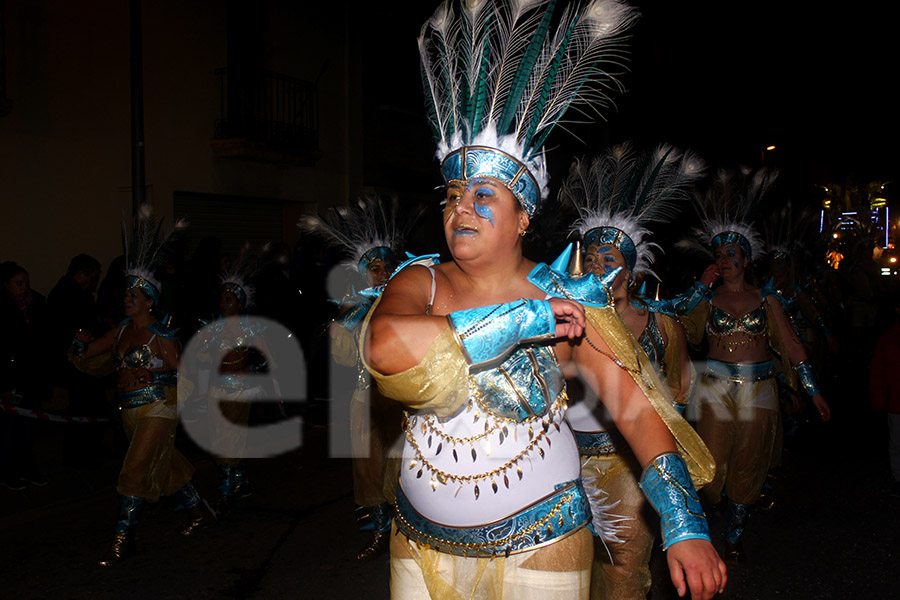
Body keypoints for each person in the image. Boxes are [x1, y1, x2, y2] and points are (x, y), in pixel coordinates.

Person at [363, 2, 725, 598]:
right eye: (453, 193)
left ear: (524, 214)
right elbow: (385, 346)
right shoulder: (419, 282)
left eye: (484, 195)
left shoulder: (567, 297)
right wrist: (521, 320)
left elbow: (634, 409)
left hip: (543, 545)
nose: (461, 208)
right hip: (420, 544)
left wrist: (683, 524)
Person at [557, 143, 706, 599]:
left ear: (632, 272)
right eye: (594, 259)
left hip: (627, 461)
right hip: (565, 460)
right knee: (566, 565)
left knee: (623, 570)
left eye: (612, 262)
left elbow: (680, 389)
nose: (601, 268)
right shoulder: (564, 320)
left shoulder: (661, 325)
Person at [678, 168, 832, 561]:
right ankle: (718, 509)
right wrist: (699, 288)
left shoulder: (768, 301)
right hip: (714, 387)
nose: (724, 260)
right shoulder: (707, 301)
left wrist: (812, 391)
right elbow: (680, 331)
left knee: (749, 462)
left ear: (746, 260)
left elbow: (793, 346)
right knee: (710, 468)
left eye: (732, 254)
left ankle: (734, 531)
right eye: (719, 255)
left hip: (759, 388)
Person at [68, 206, 214, 566]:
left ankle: (122, 537)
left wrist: (159, 376)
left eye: (135, 294)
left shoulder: (161, 334)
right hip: (128, 408)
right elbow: (86, 354)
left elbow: (187, 374)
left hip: (159, 406)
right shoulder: (119, 331)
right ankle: (197, 511)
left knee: (134, 469)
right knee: (158, 464)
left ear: (150, 300)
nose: (127, 298)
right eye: (126, 293)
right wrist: (79, 340)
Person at [300, 195, 420, 559]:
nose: (382, 273)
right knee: (367, 469)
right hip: (364, 399)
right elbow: (342, 359)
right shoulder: (352, 315)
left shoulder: (411, 304)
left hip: (402, 400)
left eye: (386, 266)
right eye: (375, 269)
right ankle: (380, 531)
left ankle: (410, 533)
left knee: (405, 469)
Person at [191, 244, 270, 515]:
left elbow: (267, 356)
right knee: (217, 440)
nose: (225, 302)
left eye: (230, 298)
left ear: (240, 303)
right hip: (216, 389)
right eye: (222, 297)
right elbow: (198, 359)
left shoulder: (250, 329)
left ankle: (225, 493)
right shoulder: (211, 329)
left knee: (230, 439)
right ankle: (240, 478)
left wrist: (258, 372)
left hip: (240, 391)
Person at [47, 253, 109, 467]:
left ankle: (86, 449)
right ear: (81, 275)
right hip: (74, 363)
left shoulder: (75, 295)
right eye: (92, 278)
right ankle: (79, 453)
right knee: (82, 406)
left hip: (82, 360)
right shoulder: (67, 296)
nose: (94, 284)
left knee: (88, 405)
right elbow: (68, 331)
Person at [0, 261, 50, 489]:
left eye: (26, 283)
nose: (23, 288)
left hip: (31, 377)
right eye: (18, 283)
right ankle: (7, 471)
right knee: (9, 429)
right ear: (6, 285)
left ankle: (27, 468)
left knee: (28, 428)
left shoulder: (35, 305)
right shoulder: (4, 309)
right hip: (12, 379)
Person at [868, 295, 900, 498]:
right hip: (896, 402)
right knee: (897, 443)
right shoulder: (889, 338)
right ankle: (898, 479)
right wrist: (879, 397)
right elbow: (878, 370)